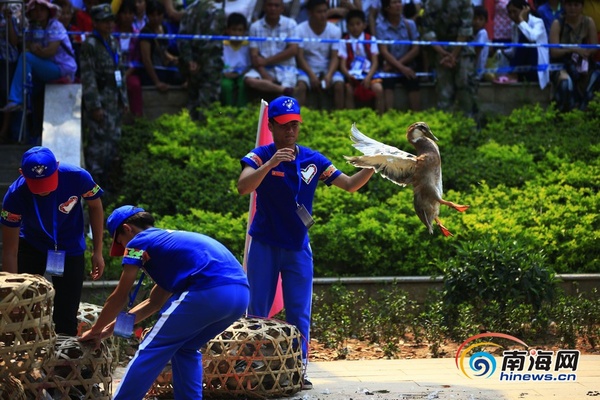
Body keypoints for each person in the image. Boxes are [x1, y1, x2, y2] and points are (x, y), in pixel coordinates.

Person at [237, 95, 374, 389]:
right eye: (284, 126)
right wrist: (271, 162)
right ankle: (254, 363)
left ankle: (299, 368)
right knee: (257, 309)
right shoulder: (260, 155)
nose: (290, 132)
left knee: (299, 311)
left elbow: (349, 185)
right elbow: (243, 186)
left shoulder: (313, 159)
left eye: (295, 126)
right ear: (271, 125)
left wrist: (375, 165)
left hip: (298, 246)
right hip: (264, 245)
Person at [79, 205, 249, 399]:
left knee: (151, 349)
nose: (125, 248)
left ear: (127, 229)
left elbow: (119, 296)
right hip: (239, 295)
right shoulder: (168, 246)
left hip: (209, 291)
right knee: (186, 348)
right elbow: (154, 302)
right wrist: (107, 330)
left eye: (121, 242)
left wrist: (94, 330)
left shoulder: (138, 242)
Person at [1, 146, 105, 336]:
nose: (43, 191)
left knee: (66, 313)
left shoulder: (77, 176)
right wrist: (13, 291)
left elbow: (96, 206)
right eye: (37, 185)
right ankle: (28, 355)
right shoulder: (14, 195)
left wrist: (97, 250)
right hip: (33, 245)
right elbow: (10, 250)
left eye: (48, 182)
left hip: (70, 246)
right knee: (25, 306)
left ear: (56, 167)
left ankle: (64, 360)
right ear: (21, 173)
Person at [80, 3, 129, 190]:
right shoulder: (90, 45)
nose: (109, 25)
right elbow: (88, 76)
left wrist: (124, 99)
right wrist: (94, 106)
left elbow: (120, 72)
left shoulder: (113, 43)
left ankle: (108, 182)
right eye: (104, 21)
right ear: (95, 23)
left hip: (114, 101)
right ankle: (93, 186)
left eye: (111, 21)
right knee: (97, 144)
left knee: (113, 142)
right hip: (100, 101)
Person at [1, 0, 77, 114]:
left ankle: (15, 100)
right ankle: (27, 119)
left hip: (62, 68)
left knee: (26, 57)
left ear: (48, 11)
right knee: (30, 86)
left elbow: (49, 51)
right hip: (44, 66)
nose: (38, 13)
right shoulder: (32, 27)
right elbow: (25, 45)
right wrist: (34, 49)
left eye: (42, 10)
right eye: (35, 10)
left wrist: (34, 50)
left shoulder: (55, 25)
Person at [421, 0, 478, 118]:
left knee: (466, 88)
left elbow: (465, 28)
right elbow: (427, 30)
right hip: (440, 51)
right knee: (444, 94)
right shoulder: (430, 3)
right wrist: (443, 53)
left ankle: (470, 126)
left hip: (462, 49)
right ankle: (445, 125)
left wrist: (453, 55)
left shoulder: (465, 2)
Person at [177, 0, 225, 121]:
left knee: (192, 102)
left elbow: (182, 39)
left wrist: (190, 61)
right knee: (208, 104)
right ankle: (204, 136)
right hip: (209, 65)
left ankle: (190, 132)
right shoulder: (216, 12)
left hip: (191, 65)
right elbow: (211, 43)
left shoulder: (189, 10)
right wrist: (199, 62)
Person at [549, 0, 599, 111]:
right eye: (569, 4)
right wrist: (573, 49)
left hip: (582, 64)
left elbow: (595, 46)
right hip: (561, 65)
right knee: (566, 83)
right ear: (564, 6)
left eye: (576, 4)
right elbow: (554, 52)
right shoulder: (557, 23)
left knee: (596, 77)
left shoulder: (588, 21)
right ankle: (564, 114)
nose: (572, 8)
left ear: (582, 7)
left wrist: (586, 52)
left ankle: (585, 109)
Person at [244, 0, 299, 100]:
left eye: (276, 5)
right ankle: (282, 89)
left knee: (282, 99)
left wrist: (266, 61)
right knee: (250, 80)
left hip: (285, 68)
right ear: (264, 7)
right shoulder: (255, 27)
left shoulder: (290, 24)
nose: (272, 8)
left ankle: (281, 91)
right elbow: (254, 56)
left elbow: (293, 50)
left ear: (282, 8)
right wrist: (265, 74)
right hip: (263, 68)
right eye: (269, 5)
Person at [295, 0, 344, 109]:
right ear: (310, 13)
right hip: (306, 69)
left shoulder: (335, 30)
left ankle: (338, 117)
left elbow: (335, 57)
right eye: (319, 12)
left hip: (328, 68)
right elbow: (300, 57)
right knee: (301, 86)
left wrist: (329, 75)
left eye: (325, 11)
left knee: (339, 85)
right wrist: (311, 75)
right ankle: (297, 120)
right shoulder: (299, 30)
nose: (323, 15)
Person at [377, 0, 421, 112]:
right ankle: (390, 117)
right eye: (394, 3)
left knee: (413, 80)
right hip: (390, 67)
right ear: (387, 7)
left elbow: (416, 49)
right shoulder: (380, 27)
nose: (398, 5)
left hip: (406, 65)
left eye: (399, 2)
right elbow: (384, 51)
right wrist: (398, 68)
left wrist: (400, 66)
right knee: (387, 82)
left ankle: (417, 118)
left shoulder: (410, 25)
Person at [338, 9, 384, 114]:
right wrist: (349, 76)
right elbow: (342, 65)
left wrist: (368, 77)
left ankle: (380, 118)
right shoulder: (344, 41)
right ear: (347, 26)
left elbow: (375, 62)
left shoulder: (370, 39)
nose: (355, 27)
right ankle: (351, 119)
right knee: (349, 91)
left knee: (378, 89)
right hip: (352, 74)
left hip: (368, 73)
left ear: (364, 25)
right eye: (351, 24)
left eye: (358, 24)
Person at [501, 0, 549, 88]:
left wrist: (521, 19)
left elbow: (531, 37)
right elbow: (515, 48)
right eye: (509, 12)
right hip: (523, 62)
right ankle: (510, 72)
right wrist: (502, 51)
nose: (512, 15)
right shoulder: (514, 25)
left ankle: (514, 73)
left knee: (525, 38)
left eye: (515, 12)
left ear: (524, 10)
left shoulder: (538, 22)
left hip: (536, 62)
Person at [138, 0, 182, 90]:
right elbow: (146, 60)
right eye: (153, 15)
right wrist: (157, 82)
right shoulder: (145, 32)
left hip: (165, 67)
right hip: (154, 72)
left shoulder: (164, 28)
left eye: (159, 15)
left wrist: (174, 59)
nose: (156, 18)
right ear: (148, 15)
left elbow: (163, 51)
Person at [0, 3, 20, 143]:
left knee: (6, 94)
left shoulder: (9, 16)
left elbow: (14, 41)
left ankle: (4, 131)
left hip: (8, 61)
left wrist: (8, 20)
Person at [222, 12, 251, 106]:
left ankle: (241, 111)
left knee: (243, 85)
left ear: (245, 31)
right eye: (233, 30)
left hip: (243, 74)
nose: (236, 33)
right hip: (226, 74)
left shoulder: (248, 45)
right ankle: (227, 111)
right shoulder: (222, 44)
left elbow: (250, 64)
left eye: (240, 30)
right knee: (225, 85)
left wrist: (239, 74)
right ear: (227, 30)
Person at [473, 5, 491, 81]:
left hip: (477, 70)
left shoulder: (482, 33)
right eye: (475, 18)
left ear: (485, 21)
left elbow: (478, 49)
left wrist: (471, 65)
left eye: (481, 19)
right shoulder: (473, 33)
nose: (477, 22)